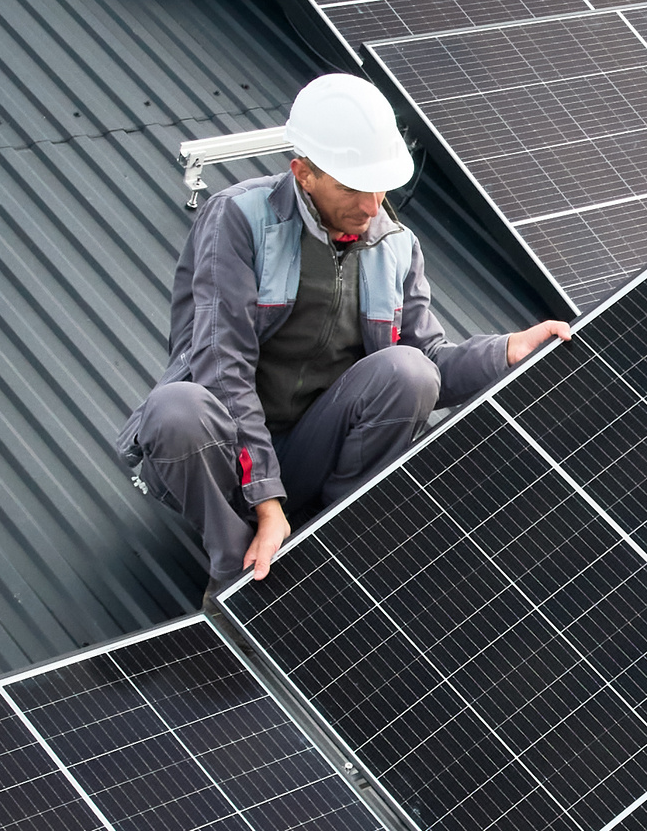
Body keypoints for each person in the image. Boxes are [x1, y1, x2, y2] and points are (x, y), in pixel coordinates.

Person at [119, 74, 569, 597]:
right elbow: (223, 367)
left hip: (310, 450)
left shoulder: (396, 247)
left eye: (379, 185)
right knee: (175, 409)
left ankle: (334, 542)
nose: (372, 204)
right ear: (304, 174)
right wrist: (266, 501)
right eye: (353, 187)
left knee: (409, 372)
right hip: (219, 457)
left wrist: (507, 351)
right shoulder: (239, 220)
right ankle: (236, 576)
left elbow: (428, 362)